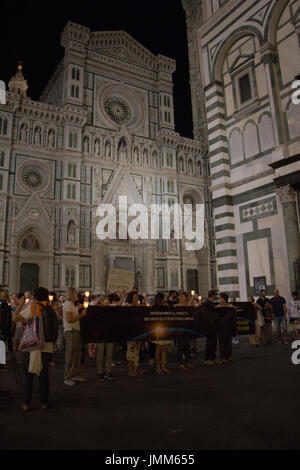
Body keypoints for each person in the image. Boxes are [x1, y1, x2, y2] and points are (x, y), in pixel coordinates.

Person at [12, 287, 53, 411]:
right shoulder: (50, 308)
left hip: (32, 345)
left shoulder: (33, 307)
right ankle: (44, 403)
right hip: (47, 346)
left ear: (35, 296)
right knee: (44, 376)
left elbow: (15, 318)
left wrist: (20, 304)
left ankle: (26, 403)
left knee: (28, 375)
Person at [96, 292, 125, 382]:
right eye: (105, 300)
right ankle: (100, 373)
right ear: (101, 302)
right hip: (100, 334)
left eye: (108, 300)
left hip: (110, 333)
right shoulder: (97, 310)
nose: (107, 302)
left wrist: (122, 296)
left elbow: (119, 304)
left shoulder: (111, 308)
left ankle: (108, 372)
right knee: (100, 354)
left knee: (109, 354)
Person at [63, 287, 87, 386]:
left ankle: (74, 374)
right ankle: (67, 376)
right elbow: (69, 319)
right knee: (71, 353)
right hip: (70, 331)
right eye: (76, 293)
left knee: (77, 354)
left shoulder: (71, 305)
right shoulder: (68, 304)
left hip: (74, 331)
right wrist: (81, 315)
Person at [152, 293, 171, 375]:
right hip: (158, 330)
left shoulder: (165, 307)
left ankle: (163, 366)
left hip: (164, 329)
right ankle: (158, 367)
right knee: (158, 349)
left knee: (164, 349)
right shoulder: (154, 308)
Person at [126, 291, 144, 376]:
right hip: (130, 332)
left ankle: (136, 368)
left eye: (137, 297)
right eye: (135, 297)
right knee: (131, 351)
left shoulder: (139, 307)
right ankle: (130, 369)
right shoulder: (127, 307)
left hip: (138, 331)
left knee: (137, 351)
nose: (136, 298)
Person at [176, 291, 194, 370]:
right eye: (180, 296)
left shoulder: (188, 306)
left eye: (183, 296)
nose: (181, 298)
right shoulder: (176, 306)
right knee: (181, 346)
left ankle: (188, 362)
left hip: (187, 328)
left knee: (187, 346)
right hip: (180, 329)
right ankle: (181, 363)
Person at [217, 292, 237, 363]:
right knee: (222, 342)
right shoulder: (218, 307)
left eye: (221, 298)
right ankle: (223, 357)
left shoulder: (230, 306)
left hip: (229, 327)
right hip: (221, 328)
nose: (220, 300)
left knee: (228, 342)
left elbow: (233, 316)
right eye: (220, 298)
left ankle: (228, 356)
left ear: (225, 299)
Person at [203, 290, 221, 365]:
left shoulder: (211, 304)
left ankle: (213, 357)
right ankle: (207, 358)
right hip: (209, 325)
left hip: (214, 325)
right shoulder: (206, 304)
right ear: (212, 296)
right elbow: (207, 315)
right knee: (210, 342)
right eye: (215, 295)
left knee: (214, 342)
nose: (216, 297)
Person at [0, 290, 12, 371]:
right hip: (3, 329)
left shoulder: (4, 304)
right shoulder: (5, 305)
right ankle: (1, 366)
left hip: (3, 328)